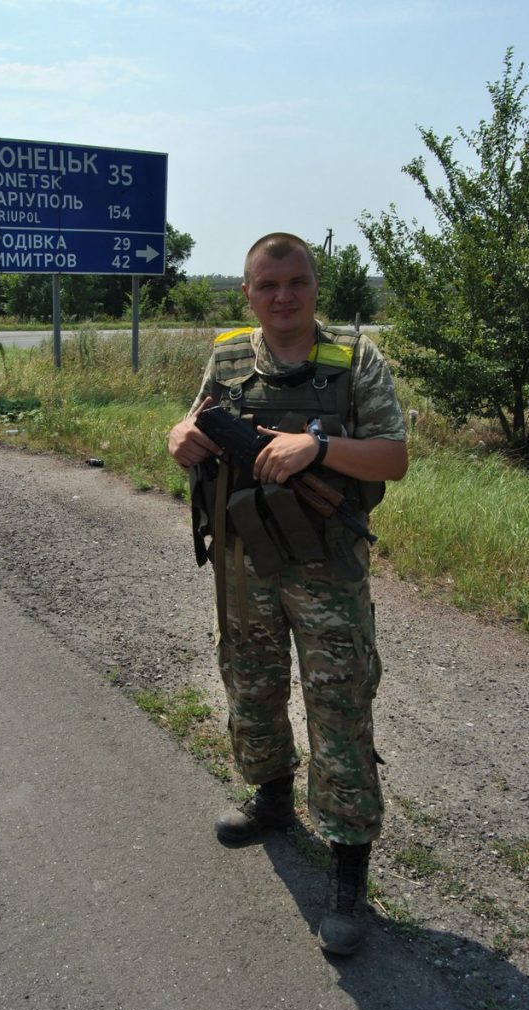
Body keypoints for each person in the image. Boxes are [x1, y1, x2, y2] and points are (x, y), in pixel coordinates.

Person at [168, 232, 408, 956]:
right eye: (266, 285)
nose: (282, 297)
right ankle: (271, 797)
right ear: (247, 292)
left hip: (325, 570)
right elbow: (192, 419)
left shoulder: (354, 361)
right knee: (249, 680)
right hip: (245, 560)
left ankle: (345, 864)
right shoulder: (230, 356)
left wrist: (319, 447)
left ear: (314, 287)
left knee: (338, 703)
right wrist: (180, 435)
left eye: (295, 283)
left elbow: (393, 458)